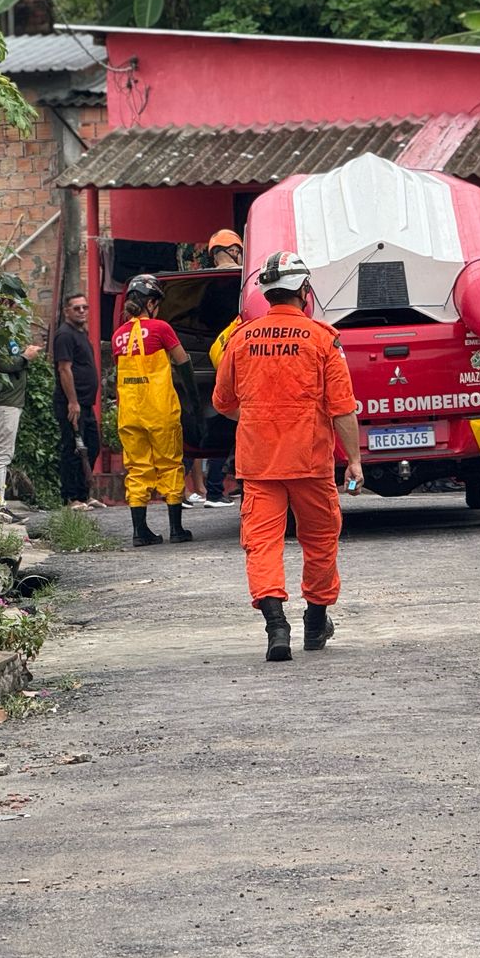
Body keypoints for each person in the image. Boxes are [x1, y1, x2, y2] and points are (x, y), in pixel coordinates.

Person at [212, 251, 362, 662]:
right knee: (319, 540)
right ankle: (315, 624)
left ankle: (276, 626)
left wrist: (260, 417)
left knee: (262, 545)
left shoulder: (241, 339)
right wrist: (354, 460)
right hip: (309, 461)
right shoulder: (322, 337)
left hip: (258, 463)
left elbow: (223, 401)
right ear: (304, 292)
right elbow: (342, 408)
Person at [113, 274, 198, 547]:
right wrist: (194, 402)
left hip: (129, 413)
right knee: (170, 463)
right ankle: (176, 529)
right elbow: (184, 363)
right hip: (159, 410)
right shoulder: (161, 329)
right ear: (151, 303)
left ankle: (140, 532)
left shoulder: (118, 336)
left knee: (137, 468)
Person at [0, 284, 44, 521]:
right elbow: (4, 362)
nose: (16, 310)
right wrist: (26, 357)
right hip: (1, 401)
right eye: (14, 305)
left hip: (4, 401)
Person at [202, 229, 244, 508]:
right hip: (247, 356)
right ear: (233, 250)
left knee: (223, 422)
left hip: (220, 357)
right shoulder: (245, 280)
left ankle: (215, 490)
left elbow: (201, 322)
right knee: (249, 421)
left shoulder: (207, 286)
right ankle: (245, 484)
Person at [53, 292, 102, 510]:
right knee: (73, 449)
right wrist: (72, 402)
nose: (82, 311)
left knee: (92, 446)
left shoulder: (81, 333)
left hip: (86, 402)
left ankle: (84, 495)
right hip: (72, 403)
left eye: (84, 307)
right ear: (67, 311)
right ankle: (71, 498)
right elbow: (64, 369)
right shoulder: (64, 334)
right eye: (76, 308)